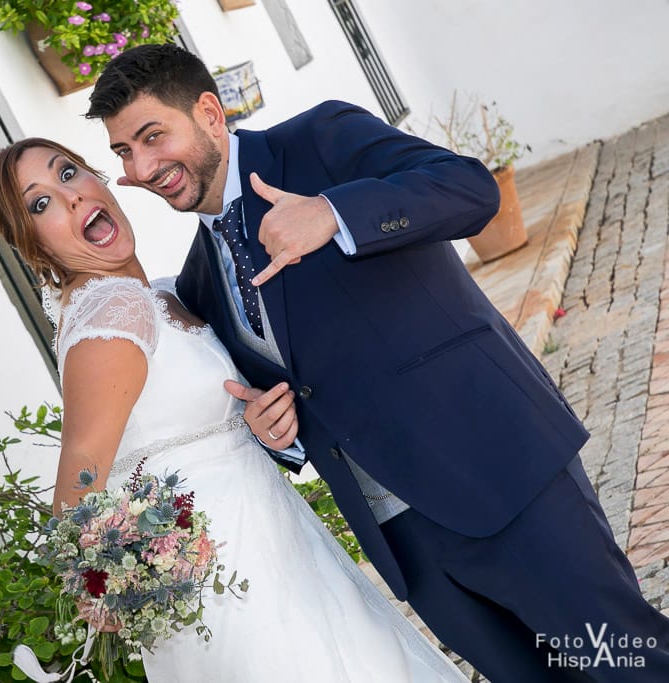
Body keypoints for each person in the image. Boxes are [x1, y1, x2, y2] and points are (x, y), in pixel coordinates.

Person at [84, 43, 669, 682]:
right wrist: (275, 434)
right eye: (124, 152)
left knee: (628, 662)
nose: (142, 167)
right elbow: (295, 394)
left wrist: (333, 213)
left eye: (152, 136)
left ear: (209, 113)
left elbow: (471, 189)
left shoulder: (319, 141)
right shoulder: (201, 282)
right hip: (407, 546)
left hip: (499, 474)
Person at [0, 136, 469, 681]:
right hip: (227, 579)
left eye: (68, 173)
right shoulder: (113, 311)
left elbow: (173, 428)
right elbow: (81, 465)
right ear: (34, 244)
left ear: (98, 178)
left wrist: (256, 424)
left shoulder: (160, 296)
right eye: (40, 203)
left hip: (270, 543)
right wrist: (91, 584)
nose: (69, 196)